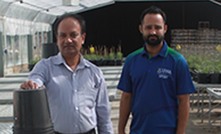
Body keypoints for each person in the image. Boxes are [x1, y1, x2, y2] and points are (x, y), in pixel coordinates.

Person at [20, 13, 113, 134]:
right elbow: (36, 78)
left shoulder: (94, 73)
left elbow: (104, 115)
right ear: (57, 39)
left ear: (83, 38)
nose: (68, 40)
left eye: (73, 35)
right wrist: (33, 84)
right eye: (63, 35)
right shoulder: (46, 67)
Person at [117, 6, 195, 134]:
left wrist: (180, 132)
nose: (153, 32)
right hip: (138, 130)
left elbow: (184, 100)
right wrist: (121, 130)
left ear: (164, 29)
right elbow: (126, 97)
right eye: (148, 27)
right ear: (141, 29)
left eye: (157, 27)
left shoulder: (177, 61)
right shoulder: (131, 61)